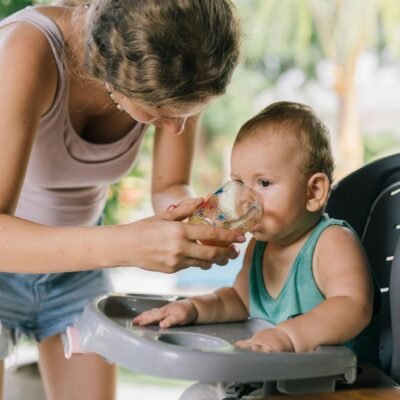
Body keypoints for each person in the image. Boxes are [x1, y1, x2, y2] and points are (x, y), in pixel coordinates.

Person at [0, 1, 243, 399]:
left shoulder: (183, 64)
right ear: (111, 69)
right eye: (157, 113)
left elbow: (170, 185)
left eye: (187, 112)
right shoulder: (28, 51)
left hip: (76, 272)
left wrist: (195, 223)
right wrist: (128, 245)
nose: (177, 126)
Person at [134, 101, 381, 398]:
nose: (243, 198)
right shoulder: (260, 247)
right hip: (272, 379)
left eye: (263, 183)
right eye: (238, 182)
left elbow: (353, 306)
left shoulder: (332, 243)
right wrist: (193, 308)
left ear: (313, 192)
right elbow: (238, 299)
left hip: (336, 387)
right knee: (198, 394)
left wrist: (287, 338)